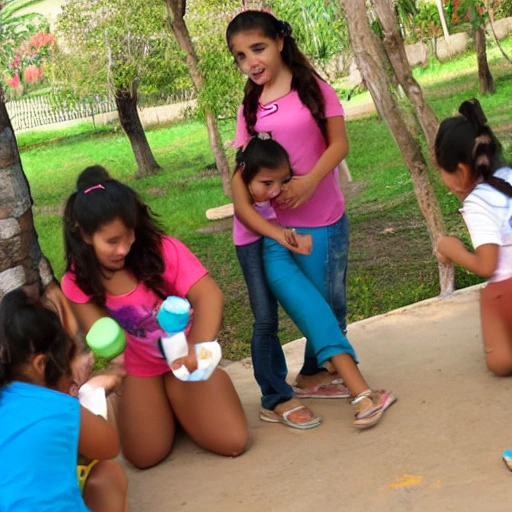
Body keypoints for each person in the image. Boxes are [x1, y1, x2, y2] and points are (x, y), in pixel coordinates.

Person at [61, 166, 248, 470]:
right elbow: (103, 335)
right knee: (144, 457)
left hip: (183, 355)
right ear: (84, 235)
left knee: (233, 442)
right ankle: (159, 403)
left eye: (129, 234)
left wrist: (196, 348)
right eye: (112, 241)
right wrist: (110, 368)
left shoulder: (160, 250)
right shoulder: (77, 278)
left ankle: (196, 390)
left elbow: (209, 296)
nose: (124, 248)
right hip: (139, 366)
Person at [226, 10, 354, 401]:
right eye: (241, 56)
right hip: (277, 230)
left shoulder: (315, 90)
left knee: (330, 299)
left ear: (280, 42)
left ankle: (314, 371)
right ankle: (304, 379)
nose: (251, 63)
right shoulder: (250, 107)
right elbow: (243, 170)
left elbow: (339, 145)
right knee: (302, 304)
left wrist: (310, 181)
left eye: (258, 49)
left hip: (323, 218)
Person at [234, 135, 397, 429]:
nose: (276, 191)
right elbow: (245, 214)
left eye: (282, 182)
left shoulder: (266, 194)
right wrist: (284, 236)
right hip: (259, 249)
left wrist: (289, 237)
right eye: (267, 184)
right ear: (246, 177)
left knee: (317, 311)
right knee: (267, 322)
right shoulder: (246, 184)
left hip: (276, 247)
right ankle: (277, 396)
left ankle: (349, 388)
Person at [0, 288, 128, 512]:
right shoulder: (56, 407)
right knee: (109, 475)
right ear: (41, 365)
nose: (71, 372)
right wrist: (91, 390)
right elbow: (108, 446)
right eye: (69, 356)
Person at [435, 98, 512, 377]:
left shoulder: (478, 203)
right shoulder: (509, 175)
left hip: (506, 291)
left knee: (500, 363)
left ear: (461, 171)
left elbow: (487, 266)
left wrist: (451, 248)